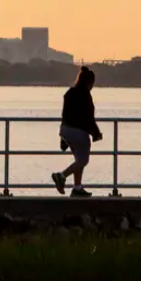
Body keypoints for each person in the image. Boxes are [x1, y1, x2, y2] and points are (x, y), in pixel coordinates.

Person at [53, 66, 102, 197]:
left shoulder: (69, 93)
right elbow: (88, 118)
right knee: (83, 161)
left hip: (65, 130)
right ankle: (61, 176)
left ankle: (77, 188)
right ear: (89, 82)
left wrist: (62, 137)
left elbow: (65, 115)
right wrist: (96, 133)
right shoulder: (85, 95)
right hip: (79, 132)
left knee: (78, 160)